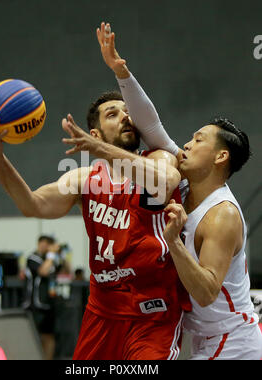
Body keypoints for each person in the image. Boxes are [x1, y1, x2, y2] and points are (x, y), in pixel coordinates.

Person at [0, 90, 191, 359]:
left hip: (151, 314)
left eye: (127, 111)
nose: (125, 116)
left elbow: (163, 182)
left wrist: (96, 148)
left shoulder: (157, 158)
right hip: (103, 311)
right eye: (112, 114)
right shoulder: (85, 179)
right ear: (96, 133)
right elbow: (31, 204)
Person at [97, 22, 262, 360]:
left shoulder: (222, 216)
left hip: (233, 342)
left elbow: (203, 292)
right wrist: (121, 71)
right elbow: (152, 126)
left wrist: (172, 241)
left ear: (220, 156)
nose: (186, 144)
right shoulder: (184, 181)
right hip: (204, 338)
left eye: (198, 140)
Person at [23, 235, 62, 360]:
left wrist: (60, 254)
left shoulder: (51, 259)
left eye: (48, 244)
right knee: (35, 336)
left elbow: (63, 269)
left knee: (49, 336)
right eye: (43, 244)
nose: (44, 247)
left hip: (49, 303)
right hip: (35, 304)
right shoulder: (33, 258)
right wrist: (51, 255)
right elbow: (43, 271)